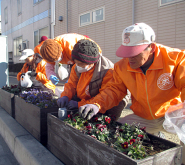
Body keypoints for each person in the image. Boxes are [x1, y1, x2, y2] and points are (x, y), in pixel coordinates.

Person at [78, 23, 185, 163]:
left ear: (151, 47)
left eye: (134, 53)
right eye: (126, 53)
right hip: (144, 115)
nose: (129, 58)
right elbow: (114, 90)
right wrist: (96, 104)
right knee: (119, 130)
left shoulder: (175, 59)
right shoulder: (121, 67)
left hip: (172, 115)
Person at [57, 39, 130, 120]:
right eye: (76, 62)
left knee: (105, 119)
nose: (77, 65)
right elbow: (71, 84)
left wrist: (81, 104)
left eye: (80, 64)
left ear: (91, 62)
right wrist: (65, 96)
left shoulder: (107, 71)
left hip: (111, 101)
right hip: (91, 98)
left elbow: (107, 95)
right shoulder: (77, 67)